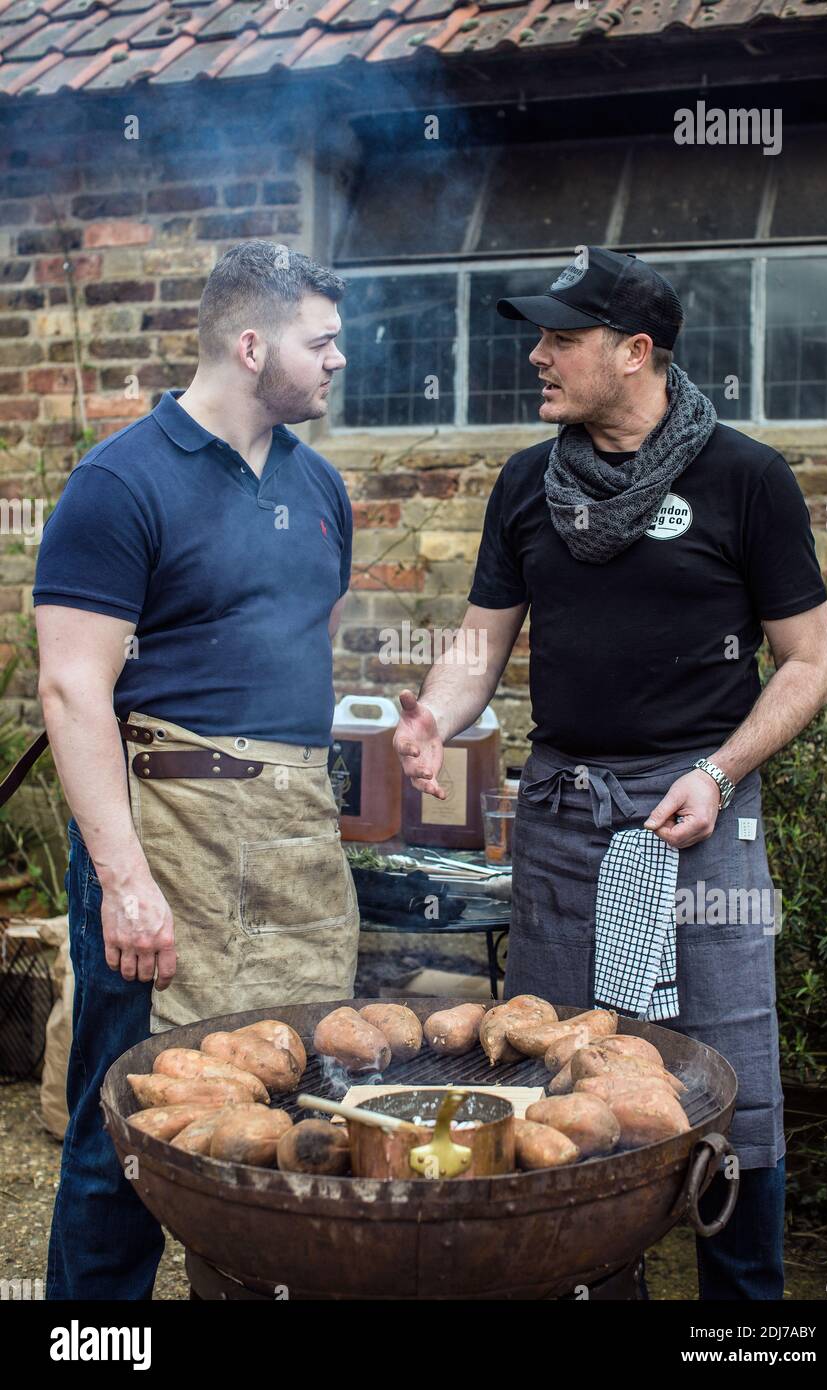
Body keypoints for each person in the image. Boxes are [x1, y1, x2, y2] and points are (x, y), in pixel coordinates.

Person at [393, 246, 827, 1300]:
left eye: (560, 337)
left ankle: (742, 1317)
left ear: (634, 352)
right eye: (535, 335)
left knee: (727, 1079)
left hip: (698, 818)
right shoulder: (525, 482)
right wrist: (430, 717)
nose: (534, 356)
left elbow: (810, 662)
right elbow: (479, 643)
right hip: (562, 817)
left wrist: (719, 772)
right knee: (555, 1064)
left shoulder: (743, 477)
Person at [34, 241, 360, 1300]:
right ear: (251, 343)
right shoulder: (119, 481)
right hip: (165, 831)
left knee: (297, 1111)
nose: (337, 362)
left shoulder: (320, 488)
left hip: (293, 840)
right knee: (128, 1121)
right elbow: (74, 691)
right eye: (321, 342)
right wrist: (125, 880)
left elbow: (309, 647)